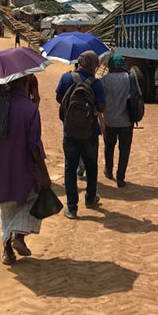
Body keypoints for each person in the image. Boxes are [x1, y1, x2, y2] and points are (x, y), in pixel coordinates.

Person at [0, 76, 51, 265]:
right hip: (24, 170)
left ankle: (7, 251)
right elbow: (34, 147)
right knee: (33, 200)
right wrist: (44, 173)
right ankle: (18, 236)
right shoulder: (30, 110)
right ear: (26, 83)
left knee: (6, 211)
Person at [55, 50, 105, 218]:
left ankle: (72, 207)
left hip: (69, 132)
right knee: (91, 166)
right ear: (93, 64)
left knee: (70, 168)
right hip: (90, 132)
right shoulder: (96, 84)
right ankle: (90, 198)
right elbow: (102, 106)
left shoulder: (66, 78)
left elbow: (58, 98)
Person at [102, 55, 139, 188]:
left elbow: (99, 100)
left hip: (109, 121)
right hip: (126, 121)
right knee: (124, 150)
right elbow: (136, 97)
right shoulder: (129, 78)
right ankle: (120, 177)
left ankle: (108, 170)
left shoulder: (104, 80)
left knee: (109, 147)